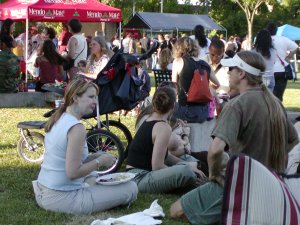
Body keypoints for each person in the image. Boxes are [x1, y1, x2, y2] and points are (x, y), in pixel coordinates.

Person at [170, 51, 299, 225]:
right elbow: (293, 143)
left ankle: (232, 211)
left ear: (242, 73)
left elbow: (215, 150)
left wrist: (215, 176)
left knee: (175, 210)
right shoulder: (275, 103)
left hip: (242, 184)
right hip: (272, 186)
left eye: (231, 68)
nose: (228, 72)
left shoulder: (237, 105)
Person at [32, 78, 138, 214]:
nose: (95, 102)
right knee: (131, 187)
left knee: (93, 176)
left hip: (44, 190)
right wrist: (100, 161)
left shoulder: (60, 118)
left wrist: (95, 156)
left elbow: (66, 158)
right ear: (76, 97)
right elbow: (72, 173)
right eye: (91, 97)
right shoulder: (76, 128)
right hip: (61, 197)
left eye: (95, 97)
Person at [126, 86, 206, 193]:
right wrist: (186, 168)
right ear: (173, 106)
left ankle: (193, 178)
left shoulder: (151, 119)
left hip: (138, 175)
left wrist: (185, 163)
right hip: (139, 178)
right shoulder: (163, 127)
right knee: (186, 172)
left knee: (191, 162)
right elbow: (157, 166)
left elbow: (166, 156)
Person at [172, 36, 220, 123]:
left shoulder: (178, 61)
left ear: (178, 48)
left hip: (185, 110)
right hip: (203, 111)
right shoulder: (206, 65)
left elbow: (173, 85)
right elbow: (217, 84)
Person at [266, 22, 298, 101]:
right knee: (278, 95)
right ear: (276, 30)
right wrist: (288, 57)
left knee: (267, 95)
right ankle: (279, 111)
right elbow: (295, 47)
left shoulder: (264, 40)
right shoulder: (283, 39)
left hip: (268, 71)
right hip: (281, 70)